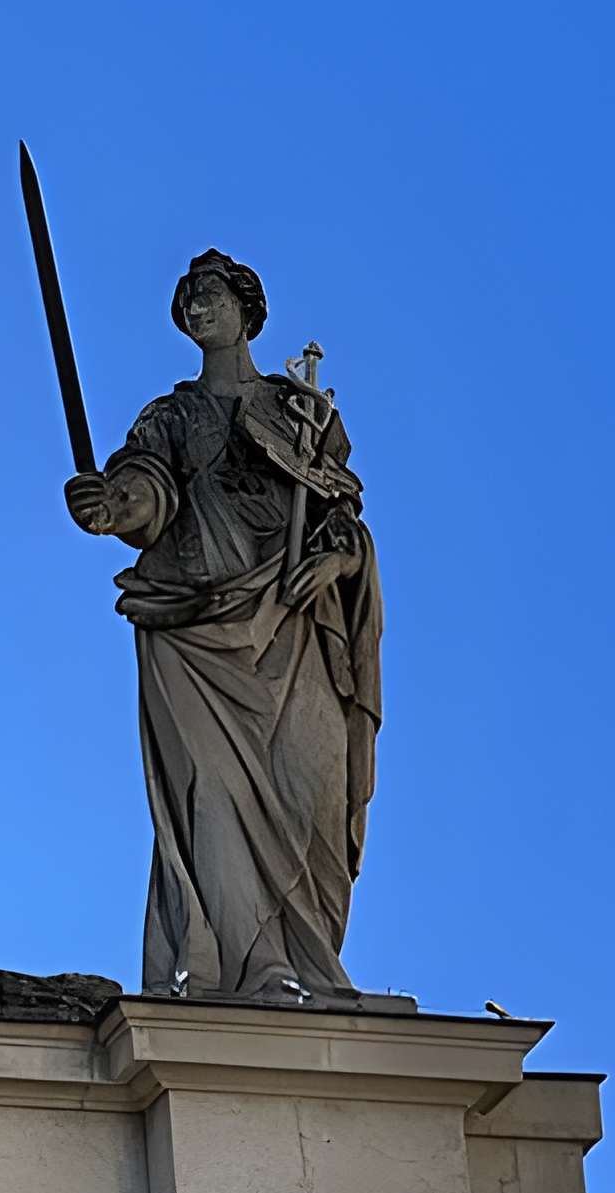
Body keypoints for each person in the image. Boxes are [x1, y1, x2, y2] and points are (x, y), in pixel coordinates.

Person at [64, 251, 381, 996]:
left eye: (210, 297)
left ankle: (311, 962)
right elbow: (145, 487)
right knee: (216, 794)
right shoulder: (169, 417)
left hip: (296, 620)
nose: (198, 310)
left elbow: (343, 511)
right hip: (196, 629)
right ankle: (255, 969)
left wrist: (336, 560)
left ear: (247, 310)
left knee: (310, 789)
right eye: (188, 303)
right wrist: (112, 507)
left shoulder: (303, 411)